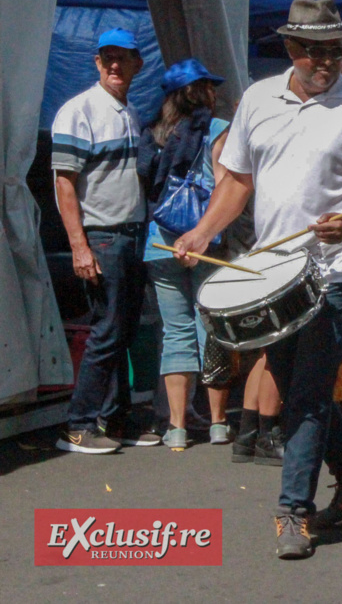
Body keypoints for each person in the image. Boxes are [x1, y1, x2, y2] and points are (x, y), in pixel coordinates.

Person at [172, 0, 342, 559]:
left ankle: (292, 511)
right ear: (291, 50)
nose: (326, 61)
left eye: (336, 50)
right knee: (305, 391)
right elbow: (236, 182)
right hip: (272, 273)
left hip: (340, 272)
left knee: (303, 394)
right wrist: (203, 232)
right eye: (314, 51)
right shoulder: (258, 100)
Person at [53, 28, 161, 453]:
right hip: (102, 237)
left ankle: (114, 420)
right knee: (107, 331)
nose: (115, 65)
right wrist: (79, 245)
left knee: (123, 331)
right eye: (107, 58)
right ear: (97, 63)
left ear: (138, 63)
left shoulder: (129, 111)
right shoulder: (78, 110)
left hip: (131, 236)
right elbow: (64, 184)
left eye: (123, 58)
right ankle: (77, 425)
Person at [136, 58, 231, 451]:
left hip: (160, 242)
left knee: (174, 332)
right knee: (211, 328)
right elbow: (225, 184)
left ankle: (175, 427)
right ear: (202, 91)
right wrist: (202, 234)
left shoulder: (153, 131)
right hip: (205, 240)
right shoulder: (217, 130)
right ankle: (218, 423)